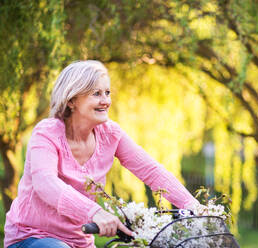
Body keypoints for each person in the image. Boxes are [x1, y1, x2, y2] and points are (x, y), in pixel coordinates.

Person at [4, 60, 201, 248]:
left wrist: (194, 206)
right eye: (96, 94)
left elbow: (151, 171)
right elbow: (45, 183)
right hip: (32, 236)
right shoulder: (47, 133)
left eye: (107, 93)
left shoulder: (110, 134)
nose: (105, 101)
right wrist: (95, 212)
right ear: (72, 100)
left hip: (80, 241)